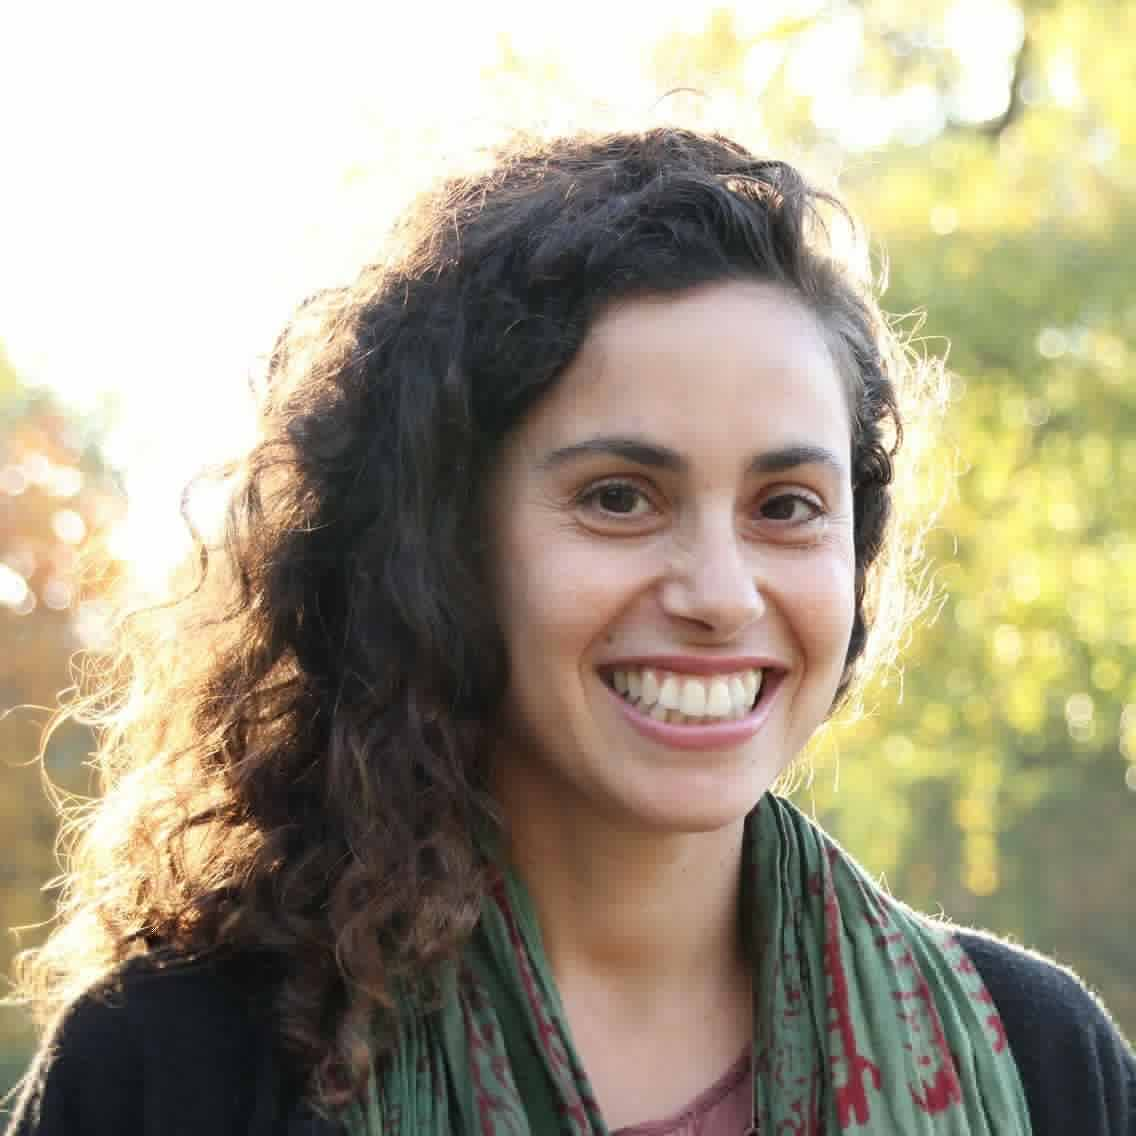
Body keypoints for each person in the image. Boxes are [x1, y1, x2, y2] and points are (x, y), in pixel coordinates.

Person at [4, 127, 1133, 1136]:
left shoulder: (1038, 1065)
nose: (720, 593)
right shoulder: (185, 1072)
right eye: (619, 497)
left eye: (786, 506)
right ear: (443, 548)